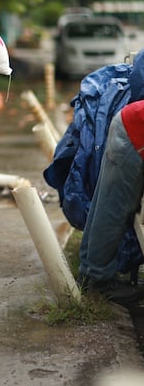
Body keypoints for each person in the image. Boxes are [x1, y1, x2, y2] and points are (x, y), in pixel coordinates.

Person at [78, 99, 144, 306]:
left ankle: (89, 272)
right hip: (134, 131)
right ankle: (98, 281)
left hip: (130, 122)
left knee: (105, 204)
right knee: (114, 210)